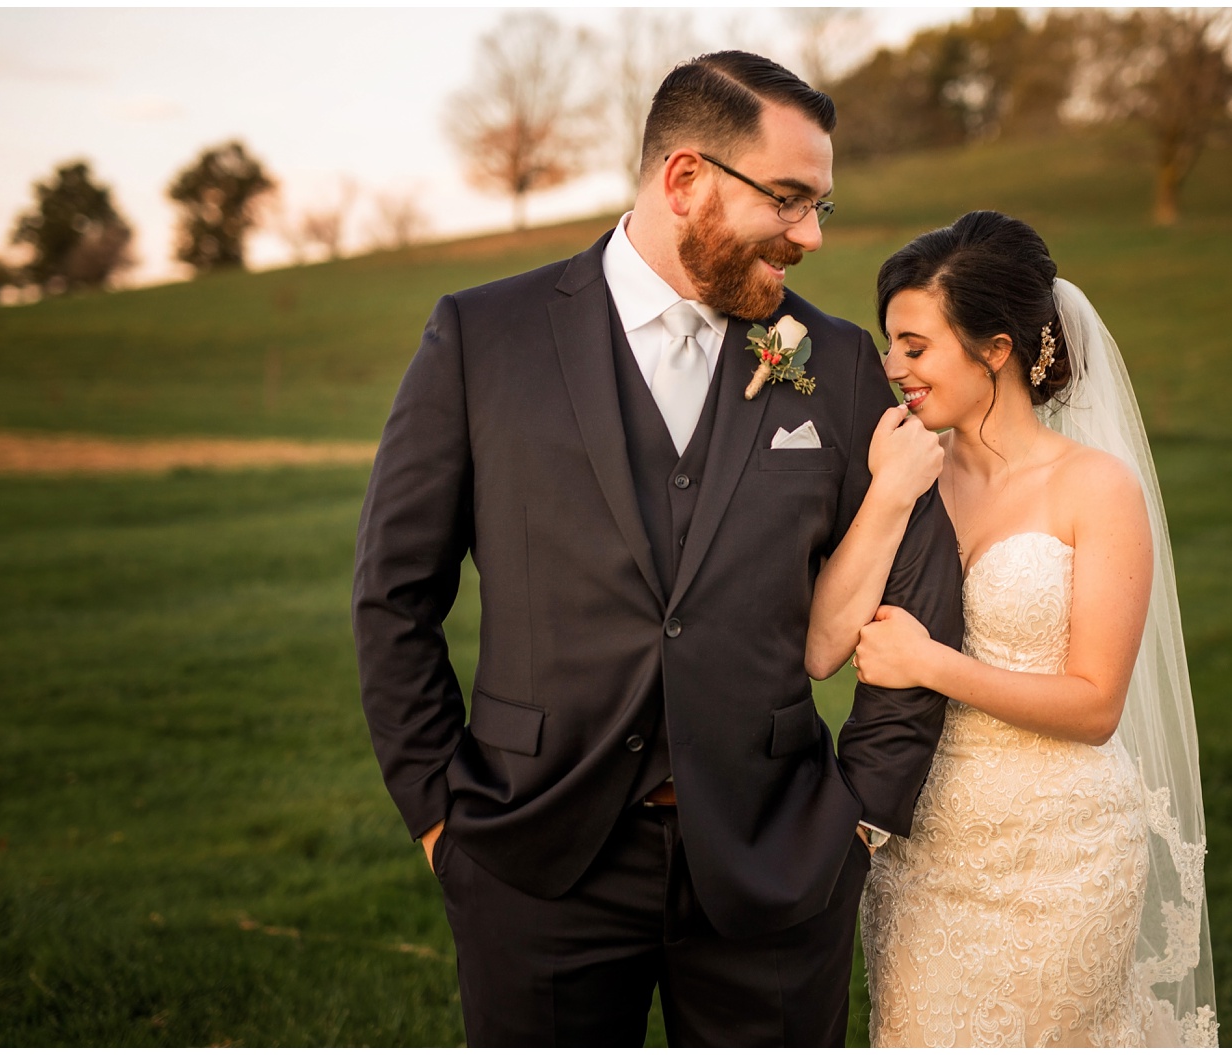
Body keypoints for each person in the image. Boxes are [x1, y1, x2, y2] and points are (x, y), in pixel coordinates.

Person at [351, 51, 962, 1046]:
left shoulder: (833, 359)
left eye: (822, 207)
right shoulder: (481, 338)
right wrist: (438, 815)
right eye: (790, 199)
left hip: (779, 855)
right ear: (685, 180)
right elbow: (394, 590)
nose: (810, 233)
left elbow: (921, 574)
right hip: (532, 855)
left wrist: (860, 811)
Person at [809, 211, 1217, 1046]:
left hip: (1062, 856)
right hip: (920, 849)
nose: (893, 370)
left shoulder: (1095, 489)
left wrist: (931, 663)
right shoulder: (902, 466)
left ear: (995, 347)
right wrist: (887, 495)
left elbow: (1095, 703)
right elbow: (822, 646)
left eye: (915, 347)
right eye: (892, 346)